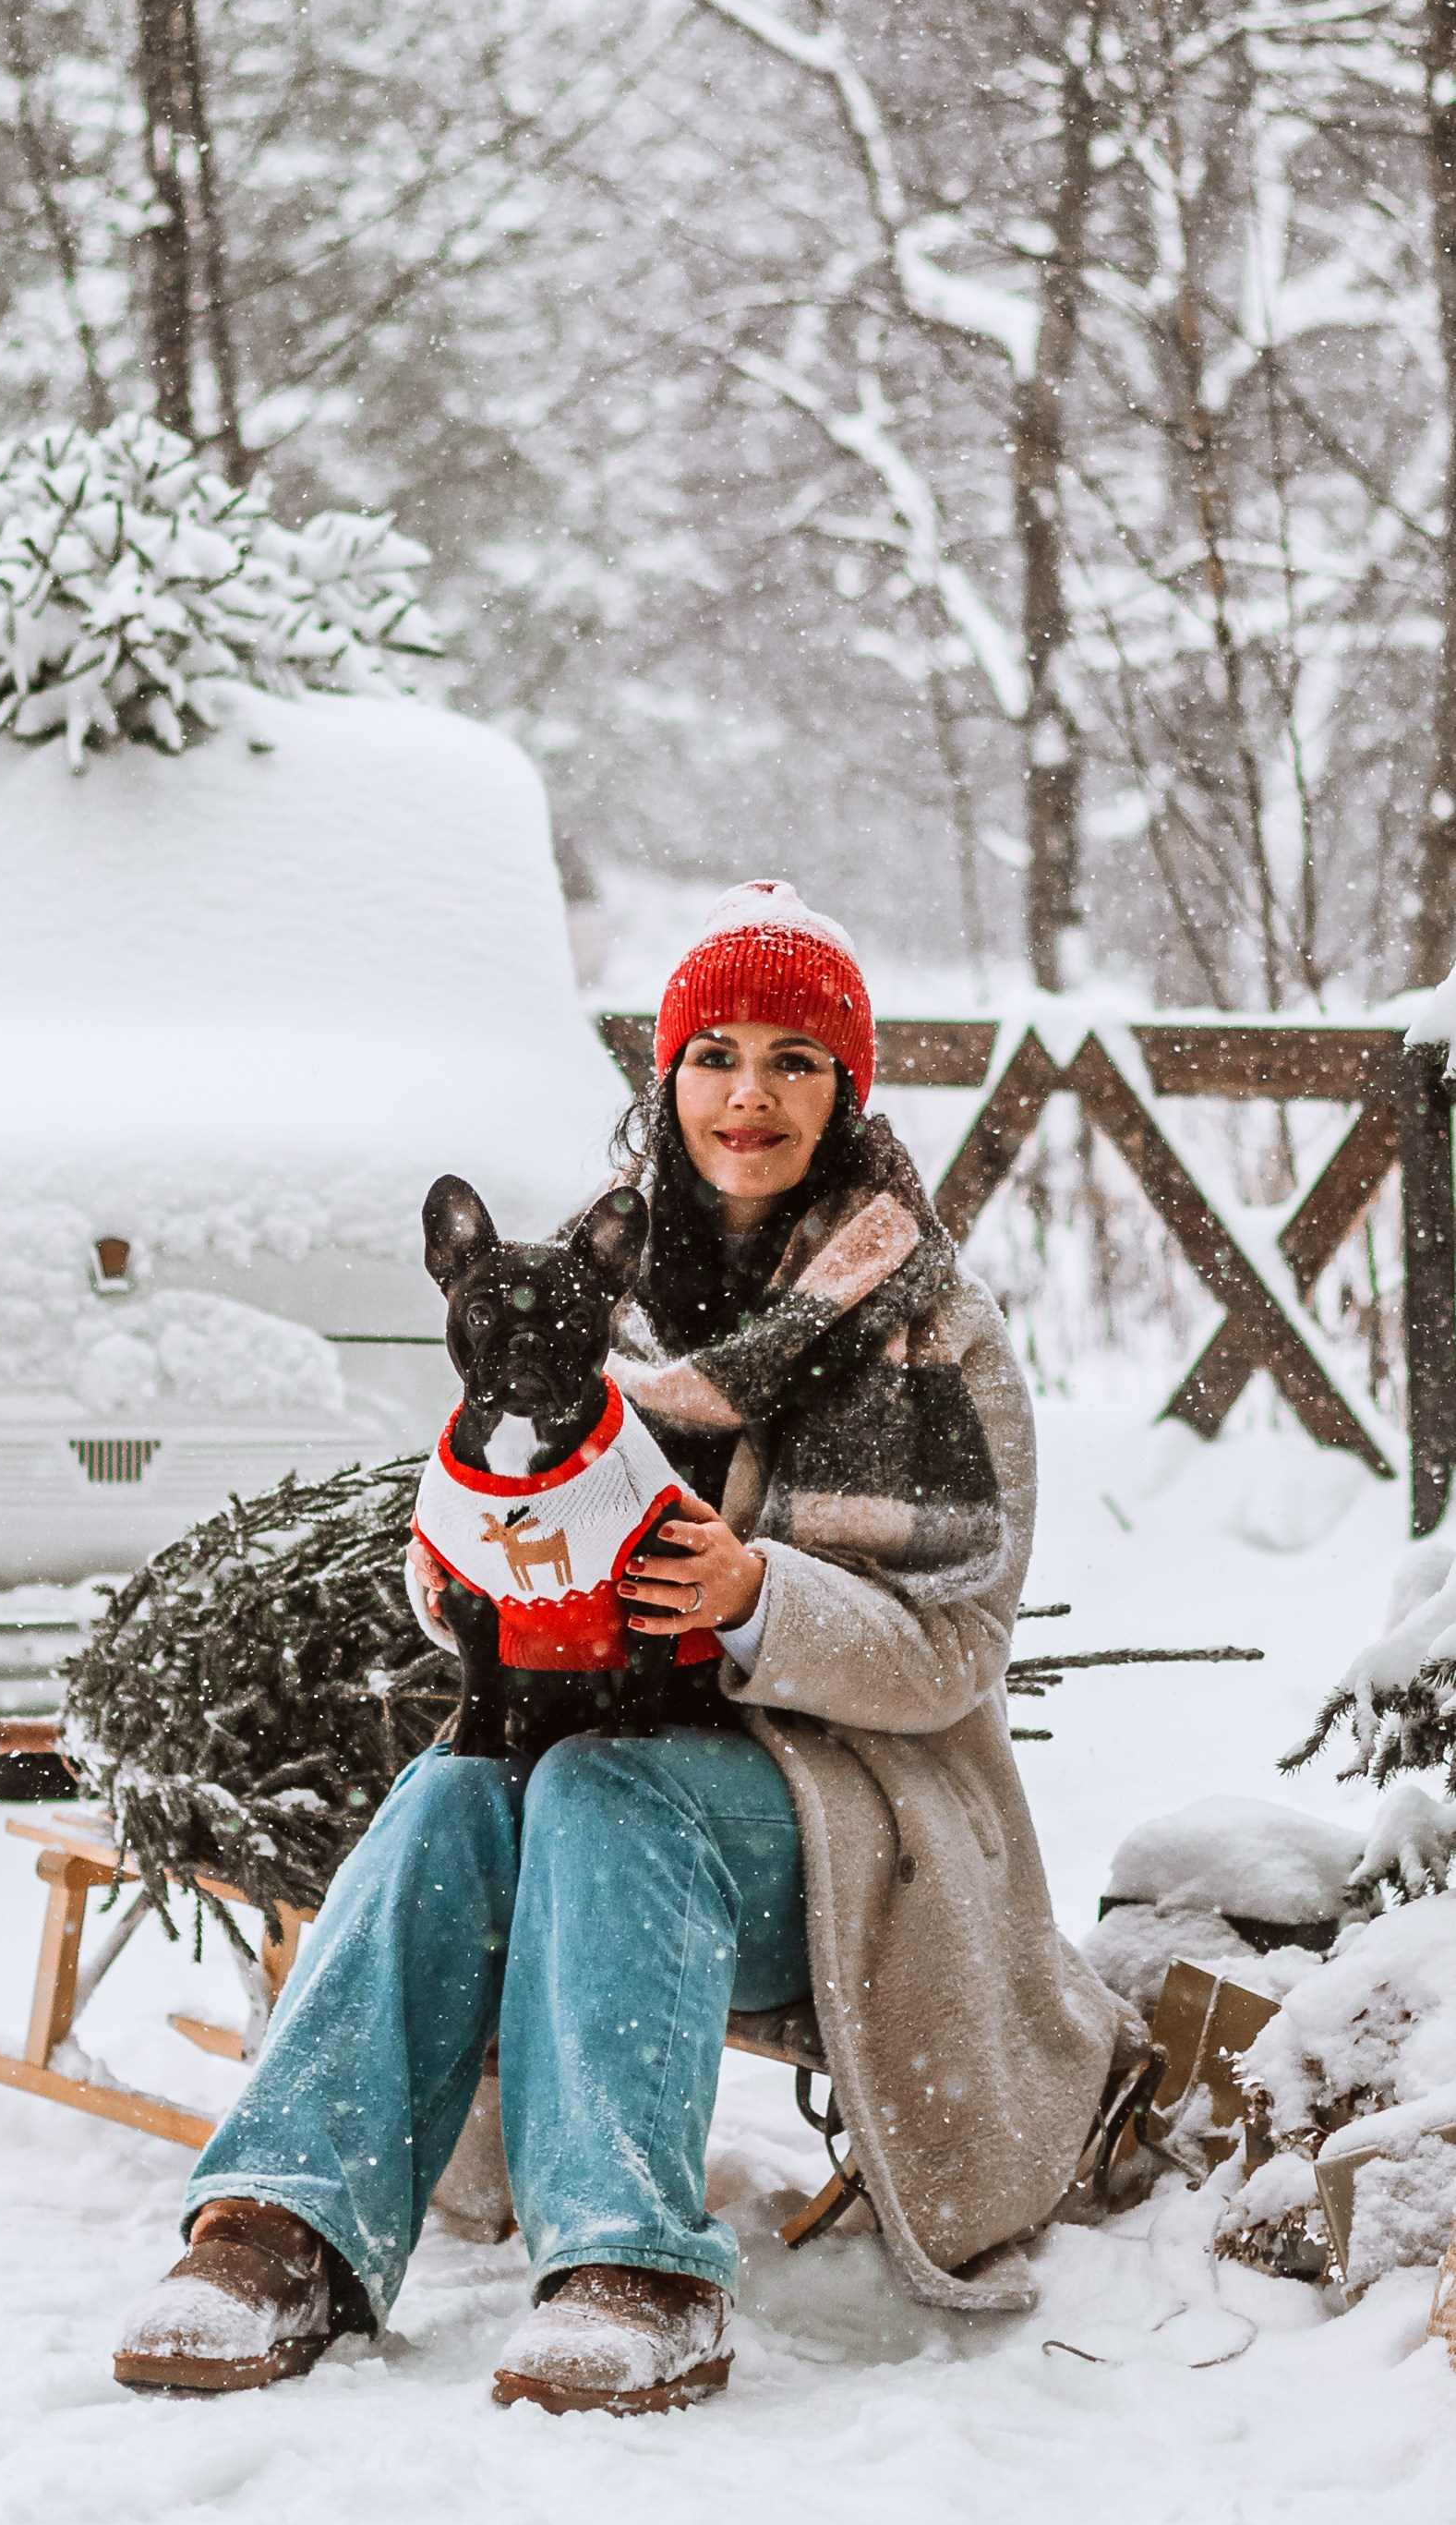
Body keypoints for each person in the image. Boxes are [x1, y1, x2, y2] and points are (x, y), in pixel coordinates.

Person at [113, 881, 1135, 2415]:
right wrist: (457, 1573)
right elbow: (471, 1524)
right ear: (666, 1078)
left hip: (851, 1819)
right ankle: (285, 2224)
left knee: (606, 1790)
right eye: (715, 1052)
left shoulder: (934, 1332)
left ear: (847, 1090)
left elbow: (950, 1653)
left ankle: (633, 2271)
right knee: (456, 1795)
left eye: (797, 1059)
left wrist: (756, 1596)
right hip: (590, 1732)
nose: (750, 1094)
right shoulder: (585, 1292)